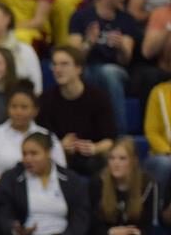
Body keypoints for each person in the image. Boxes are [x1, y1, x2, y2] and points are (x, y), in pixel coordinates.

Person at [0, 132, 89, 235]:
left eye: (34, 153)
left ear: (48, 153)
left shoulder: (71, 179)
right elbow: (2, 211)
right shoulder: (11, 178)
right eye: (24, 154)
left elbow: (80, 217)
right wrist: (14, 228)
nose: (28, 159)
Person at [68, 0, 139, 132]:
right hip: (87, 68)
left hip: (116, 71)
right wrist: (89, 42)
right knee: (77, 74)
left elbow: (125, 60)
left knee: (109, 73)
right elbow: (74, 57)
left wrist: (121, 46)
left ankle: (119, 134)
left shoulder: (126, 20)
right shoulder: (80, 17)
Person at [37, 46, 116, 176]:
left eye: (64, 64)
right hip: (59, 159)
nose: (58, 69)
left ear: (79, 69)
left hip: (92, 158)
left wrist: (94, 148)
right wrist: (60, 147)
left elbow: (110, 139)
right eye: (55, 64)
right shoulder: (45, 100)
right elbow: (41, 140)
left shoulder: (98, 97)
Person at [89, 137, 159, 235]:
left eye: (122, 159)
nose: (116, 163)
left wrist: (138, 234)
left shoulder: (148, 184)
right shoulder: (98, 183)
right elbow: (92, 225)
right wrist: (111, 232)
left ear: (133, 161)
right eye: (112, 158)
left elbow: (150, 226)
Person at [0, 84, 65, 180]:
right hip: (1, 188)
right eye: (14, 106)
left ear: (35, 111)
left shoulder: (47, 136)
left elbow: (61, 171)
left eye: (24, 107)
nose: (18, 112)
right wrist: (6, 188)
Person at [145, 79, 171, 192]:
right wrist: (168, 151)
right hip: (162, 154)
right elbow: (152, 131)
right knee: (165, 163)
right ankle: (158, 201)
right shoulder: (159, 92)